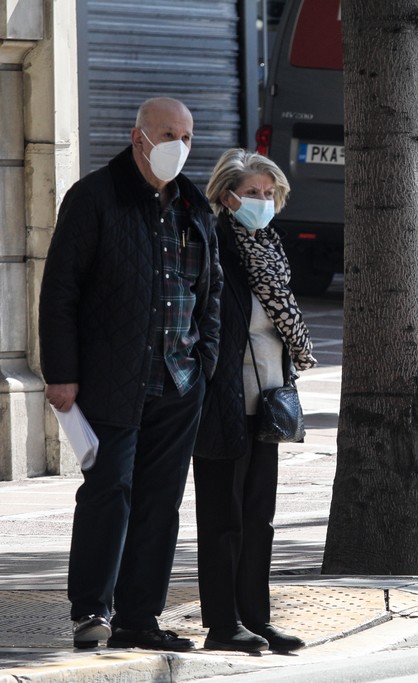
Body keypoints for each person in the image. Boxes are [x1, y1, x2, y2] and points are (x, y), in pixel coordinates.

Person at [39, 97, 222, 651]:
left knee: (160, 501)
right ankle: (92, 610)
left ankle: (140, 619)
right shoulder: (94, 197)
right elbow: (60, 291)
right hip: (110, 378)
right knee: (109, 490)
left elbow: (208, 294)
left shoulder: (193, 205)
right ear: (138, 136)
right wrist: (62, 373)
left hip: (179, 381)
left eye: (187, 136)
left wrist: (205, 363)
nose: (179, 146)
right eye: (169, 134)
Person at [192, 149, 317, 653]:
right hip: (220, 397)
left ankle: (256, 618)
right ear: (227, 196)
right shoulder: (213, 243)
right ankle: (223, 625)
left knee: (258, 516)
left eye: (269, 194)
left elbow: (280, 326)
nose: (262, 202)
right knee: (222, 518)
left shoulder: (269, 246)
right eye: (252, 193)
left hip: (266, 399)